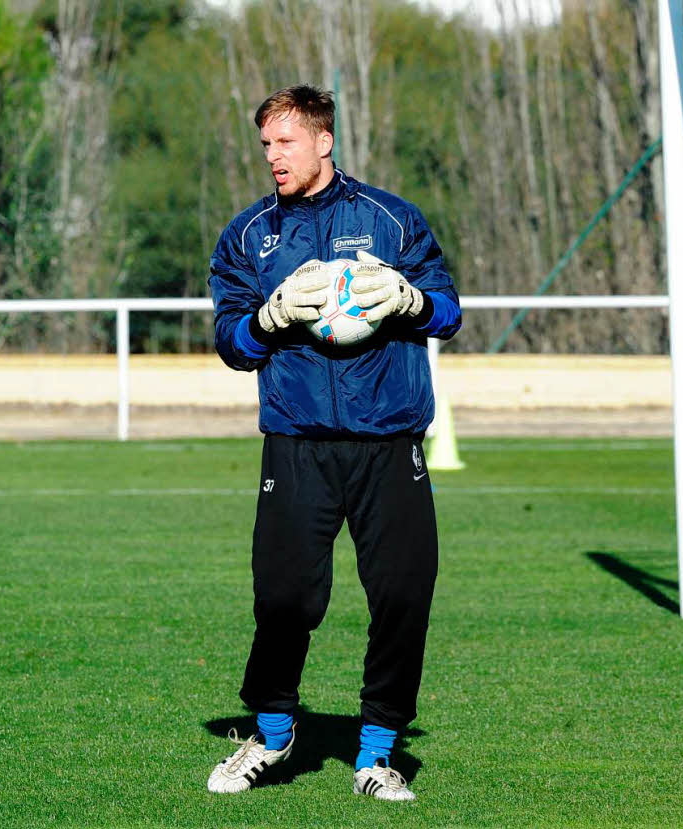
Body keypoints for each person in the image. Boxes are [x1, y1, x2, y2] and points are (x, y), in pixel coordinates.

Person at [205, 85, 461, 802]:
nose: (273, 157)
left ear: (323, 140)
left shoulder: (391, 219)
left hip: (388, 441)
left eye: (285, 142)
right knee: (284, 597)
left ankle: (377, 753)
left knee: (405, 595)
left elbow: (448, 311)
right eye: (265, 146)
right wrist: (269, 316)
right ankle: (272, 733)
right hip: (298, 442)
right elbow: (230, 341)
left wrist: (411, 300)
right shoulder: (249, 236)